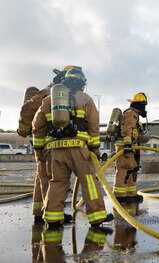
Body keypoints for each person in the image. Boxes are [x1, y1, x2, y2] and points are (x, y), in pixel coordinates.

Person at [32, 68, 113, 229]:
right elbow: (93, 125)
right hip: (78, 148)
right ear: (82, 83)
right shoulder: (85, 99)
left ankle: (53, 218)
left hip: (54, 150)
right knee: (89, 180)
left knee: (57, 182)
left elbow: (37, 126)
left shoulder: (48, 101)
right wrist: (95, 148)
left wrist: (39, 150)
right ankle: (97, 217)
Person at [18, 65, 79, 223]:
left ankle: (40, 211)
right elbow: (28, 109)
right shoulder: (50, 92)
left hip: (45, 141)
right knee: (48, 177)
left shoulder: (61, 94)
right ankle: (50, 214)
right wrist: (25, 129)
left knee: (41, 177)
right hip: (45, 142)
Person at [113, 93, 148, 204]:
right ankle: (119, 195)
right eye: (144, 106)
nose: (144, 108)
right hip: (125, 146)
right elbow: (127, 129)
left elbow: (133, 132)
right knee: (123, 168)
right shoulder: (131, 113)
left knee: (131, 169)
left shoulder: (135, 115)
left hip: (130, 146)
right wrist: (128, 144)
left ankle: (130, 193)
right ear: (140, 105)